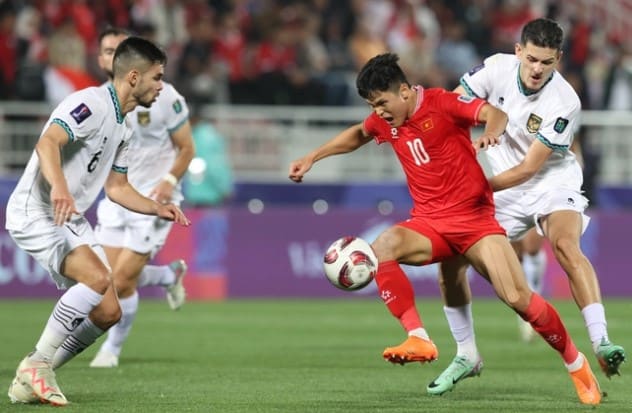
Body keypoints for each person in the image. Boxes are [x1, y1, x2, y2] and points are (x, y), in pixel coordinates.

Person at [288, 52, 602, 405]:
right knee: (383, 247)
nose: (378, 112)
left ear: (404, 91)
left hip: (474, 220)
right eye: (372, 105)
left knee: (518, 299)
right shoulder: (385, 120)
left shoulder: (442, 103)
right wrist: (312, 157)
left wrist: (491, 134)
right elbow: (359, 134)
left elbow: (494, 114)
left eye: (381, 103)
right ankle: (419, 337)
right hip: (429, 222)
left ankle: (576, 363)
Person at [428, 18, 625, 397]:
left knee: (565, 245)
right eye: (531, 59)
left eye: (546, 63)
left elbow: (529, 168)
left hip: (551, 183)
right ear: (518, 51)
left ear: (558, 59)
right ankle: (467, 354)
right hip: (504, 191)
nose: (537, 69)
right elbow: (453, 105)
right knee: (450, 261)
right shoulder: (495, 69)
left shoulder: (565, 101)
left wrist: (473, 185)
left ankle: (601, 341)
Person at [5, 36, 190, 406]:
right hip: (36, 211)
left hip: (69, 218)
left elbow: (117, 188)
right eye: (157, 77)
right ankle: (38, 364)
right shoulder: (91, 103)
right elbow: (48, 143)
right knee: (98, 278)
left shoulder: (124, 128)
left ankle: (34, 374)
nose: (161, 86)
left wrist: (156, 208)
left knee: (109, 311)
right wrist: (60, 188)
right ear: (134, 77)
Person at [88, 27, 195, 368]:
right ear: (101, 59)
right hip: (116, 196)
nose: (113, 55)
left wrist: (168, 182)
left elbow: (187, 148)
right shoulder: (98, 101)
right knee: (106, 279)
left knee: (120, 282)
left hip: (153, 199)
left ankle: (111, 350)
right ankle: (166, 276)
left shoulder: (164, 95)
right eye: (107, 51)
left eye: (119, 49)